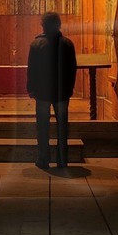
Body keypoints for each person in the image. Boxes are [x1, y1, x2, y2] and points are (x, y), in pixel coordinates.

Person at [26, 12, 78, 169]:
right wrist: (70, 88)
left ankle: (43, 159)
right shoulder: (67, 44)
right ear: (58, 25)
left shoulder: (36, 45)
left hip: (42, 92)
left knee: (42, 126)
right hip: (62, 92)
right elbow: (72, 69)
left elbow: (32, 70)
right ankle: (62, 160)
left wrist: (31, 88)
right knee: (62, 127)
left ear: (43, 25)